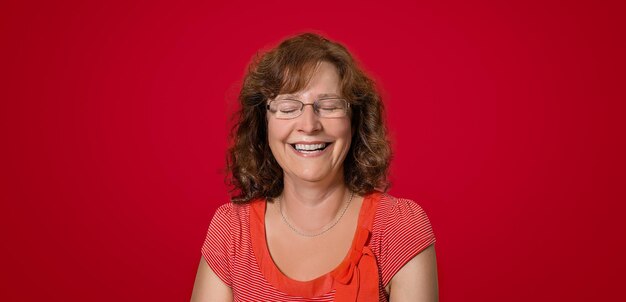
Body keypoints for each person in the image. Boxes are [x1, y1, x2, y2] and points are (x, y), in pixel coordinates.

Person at [190, 33, 438, 301]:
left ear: (354, 122)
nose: (309, 125)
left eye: (329, 106)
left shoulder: (399, 227)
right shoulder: (231, 230)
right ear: (264, 124)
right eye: (288, 107)